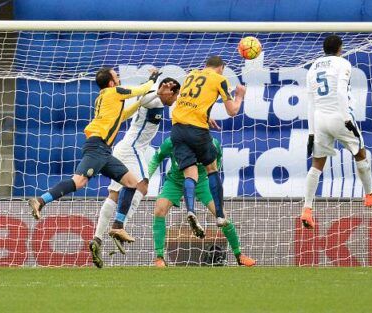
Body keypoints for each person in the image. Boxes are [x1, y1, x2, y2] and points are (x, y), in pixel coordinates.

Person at [27, 67, 173, 244]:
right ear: (111, 82)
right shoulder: (114, 92)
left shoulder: (105, 97)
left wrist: (141, 102)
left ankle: (118, 226)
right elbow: (140, 90)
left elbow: (124, 115)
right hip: (97, 147)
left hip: (104, 151)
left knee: (132, 183)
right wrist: (153, 79)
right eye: (116, 76)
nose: (119, 78)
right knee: (79, 182)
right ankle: (41, 200)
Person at [89, 77, 180, 268]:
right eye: (175, 95)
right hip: (132, 148)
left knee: (114, 194)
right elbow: (143, 99)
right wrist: (157, 90)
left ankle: (97, 238)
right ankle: (119, 225)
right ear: (169, 92)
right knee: (142, 185)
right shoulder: (154, 99)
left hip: (125, 148)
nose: (174, 100)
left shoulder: (160, 101)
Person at [301, 35, 372, 229]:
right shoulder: (343, 64)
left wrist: (311, 132)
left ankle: (307, 209)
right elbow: (340, 92)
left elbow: (310, 101)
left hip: (319, 120)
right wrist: (346, 119)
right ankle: (369, 194)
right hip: (339, 116)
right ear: (340, 48)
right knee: (359, 152)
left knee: (317, 163)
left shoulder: (313, 67)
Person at [148, 137, 255, 267]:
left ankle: (239, 255)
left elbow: (218, 159)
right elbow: (156, 158)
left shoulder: (212, 143)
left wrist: (210, 174)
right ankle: (159, 258)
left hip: (202, 182)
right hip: (175, 182)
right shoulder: (172, 141)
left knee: (221, 215)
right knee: (159, 210)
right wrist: (146, 177)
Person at [170, 56, 246, 237]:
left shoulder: (191, 75)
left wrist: (205, 116)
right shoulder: (220, 79)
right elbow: (232, 111)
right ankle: (219, 215)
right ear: (222, 68)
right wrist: (239, 96)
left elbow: (189, 102)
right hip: (197, 131)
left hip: (177, 129)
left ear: (206, 66)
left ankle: (190, 210)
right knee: (211, 168)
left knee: (190, 173)